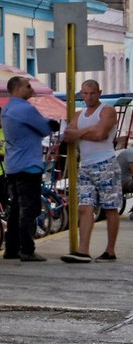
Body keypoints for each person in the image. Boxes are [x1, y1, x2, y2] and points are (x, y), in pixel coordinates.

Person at [60, 79, 120, 262]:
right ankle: (83, 250)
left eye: (92, 93)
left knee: (110, 208)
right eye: (85, 93)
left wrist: (80, 132)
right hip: (84, 165)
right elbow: (67, 136)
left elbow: (101, 134)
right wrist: (88, 130)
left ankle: (110, 250)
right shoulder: (79, 115)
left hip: (105, 163)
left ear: (99, 93)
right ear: (81, 93)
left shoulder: (107, 111)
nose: (88, 97)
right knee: (84, 207)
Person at [0, 74, 52, 262]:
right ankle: (27, 249)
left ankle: (11, 248)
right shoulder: (25, 109)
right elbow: (45, 129)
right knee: (28, 209)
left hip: (13, 165)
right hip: (29, 165)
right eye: (28, 86)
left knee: (14, 209)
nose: (32, 90)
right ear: (18, 88)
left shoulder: (7, 109)